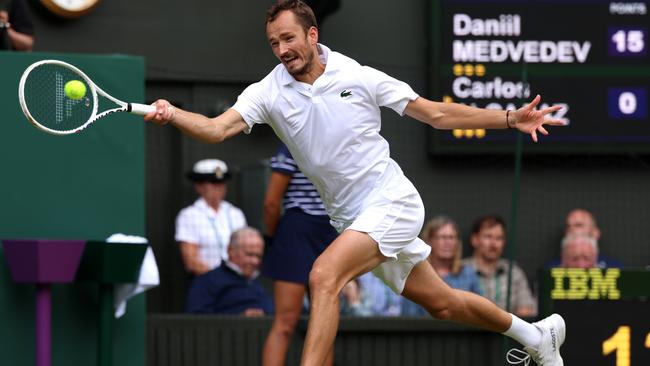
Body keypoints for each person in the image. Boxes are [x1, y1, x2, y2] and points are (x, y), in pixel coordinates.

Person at [145, 1, 567, 364]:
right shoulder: (267, 92)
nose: (282, 50)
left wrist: (510, 118)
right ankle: (535, 336)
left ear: (312, 34)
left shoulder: (358, 75)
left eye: (289, 38)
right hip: (351, 218)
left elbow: (437, 114)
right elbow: (217, 129)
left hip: (392, 201)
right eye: (274, 42)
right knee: (442, 303)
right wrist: (174, 114)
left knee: (325, 275)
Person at [261, 143, 338, 366]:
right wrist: (280, 237)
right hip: (306, 231)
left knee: (319, 325)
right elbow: (271, 204)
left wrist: (275, 236)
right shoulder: (292, 146)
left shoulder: (294, 145)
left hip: (318, 232)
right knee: (292, 323)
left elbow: (271, 204)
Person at [175, 158, 247, 276]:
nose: (219, 187)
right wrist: (218, 279)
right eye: (213, 183)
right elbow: (191, 261)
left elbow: (245, 251)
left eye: (222, 182)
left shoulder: (236, 213)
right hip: (206, 281)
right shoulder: (188, 215)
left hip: (237, 280)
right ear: (199, 186)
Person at [402, 215, 482, 316]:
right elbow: (409, 316)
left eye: (451, 237)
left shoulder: (468, 274)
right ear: (429, 241)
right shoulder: (416, 274)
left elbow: (477, 311)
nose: (448, 242)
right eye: (442, 237)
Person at [462, 214, 537, 318]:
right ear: (474, 239)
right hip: (468, 332)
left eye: (499, 238)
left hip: (507, 332)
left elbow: (526, 310)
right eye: (488, 237)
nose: (493, 244)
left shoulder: (514, 272)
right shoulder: (460, 270)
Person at [185, 226, 273, 315]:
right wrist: (239, 318)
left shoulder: (260, 283)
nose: (255, 261)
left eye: (258, 256)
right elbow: (196, 319)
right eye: (249, 255)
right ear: (230, 250)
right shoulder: (208, 281)